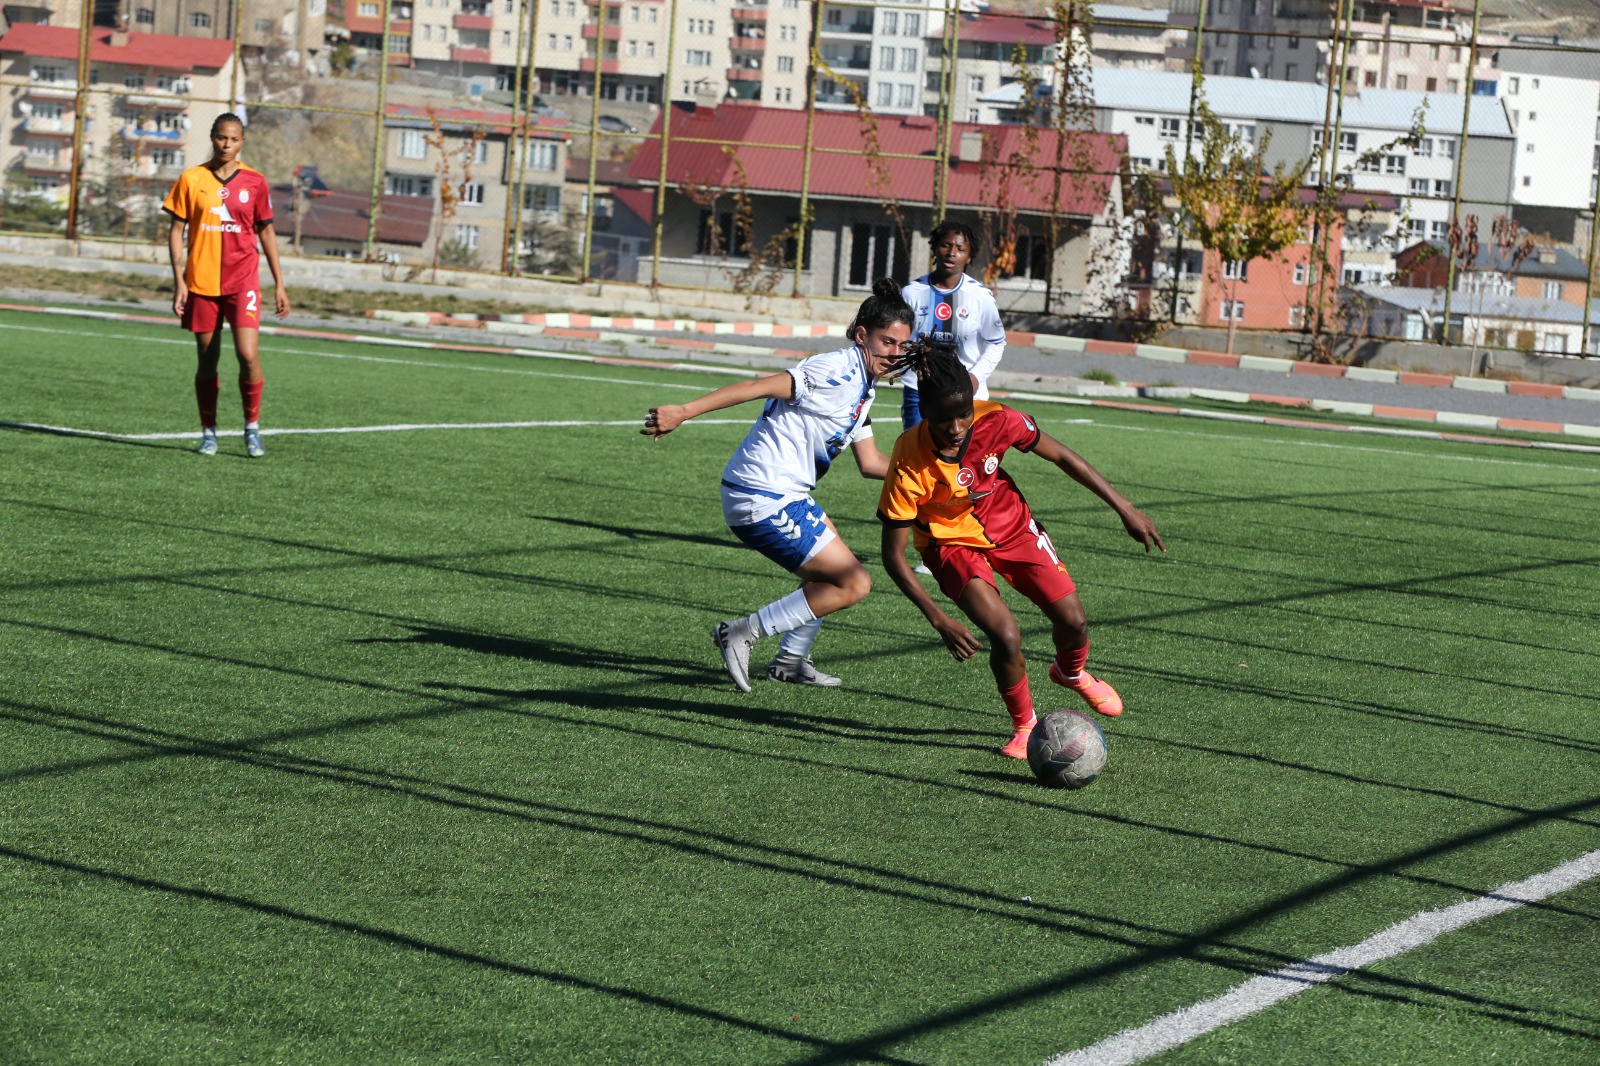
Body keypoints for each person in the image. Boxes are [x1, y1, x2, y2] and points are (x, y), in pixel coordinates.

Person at [876, 340, 1164, 759]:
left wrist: (1125, 507)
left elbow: (1064, 457)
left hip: (1012, 527)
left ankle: (1071, 672)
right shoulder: (908, 459)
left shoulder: (997, 420)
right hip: (949, 544)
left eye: (962, 414)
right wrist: (939, 619)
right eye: (943, 419)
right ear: (923, 412)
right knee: (1006, 636)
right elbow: (893, 555)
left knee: (1074, 621)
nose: (956, 427)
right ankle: (1025, 727)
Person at [642, 279, 913, 691]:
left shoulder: (863, 385)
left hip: (785, 494)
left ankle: (790, 660)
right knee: (854, 582)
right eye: (887, 342)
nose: (894, 354)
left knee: (834, 563)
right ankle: (741, 632)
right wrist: (684, 410)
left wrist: (936, 474)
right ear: (862, 335)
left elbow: (872, 462)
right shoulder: (834, 370)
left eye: (902, 346)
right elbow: (758, 386)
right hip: (760, 494)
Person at [163, 112, 290, 458]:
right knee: (207, 359)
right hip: (201, 282)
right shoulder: (191, 179)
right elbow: (176, 231)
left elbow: (266, 230)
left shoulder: (255, 182)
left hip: (243, 280)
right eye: (221, 137)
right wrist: (180, 282)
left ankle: (252, 428)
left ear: (242, 142)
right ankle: (209, 432)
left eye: (234, 139)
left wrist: (279, 283)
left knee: (247, 355)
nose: (227, 145)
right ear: (212, 137)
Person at [898, 221, 1006, 431]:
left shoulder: (980, 297)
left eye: (960, 249)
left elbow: (996, 342)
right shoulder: (911, 293)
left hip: (967, 393)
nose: (951, 253)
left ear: (969, 256)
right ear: (935, 248)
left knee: (965, 461)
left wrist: (975, 377)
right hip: (918, 390)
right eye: (946, 245)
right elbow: (897, 337)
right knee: (918, 460)